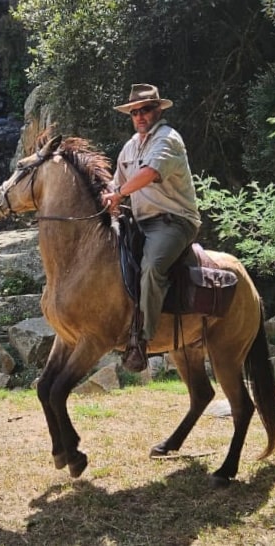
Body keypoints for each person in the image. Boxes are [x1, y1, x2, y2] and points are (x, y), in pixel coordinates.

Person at [102, 84, 201, 372]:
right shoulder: (131, 145)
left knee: (152, 267)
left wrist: (118, 193)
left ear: (158, 110)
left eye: (145, 110)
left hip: (174, 221)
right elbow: (115, 180)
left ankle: (141, 340)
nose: (140, 116)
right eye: (134, 112)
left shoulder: (168, 139)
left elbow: (149, 173)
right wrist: (107, 197)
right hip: (141, 221)